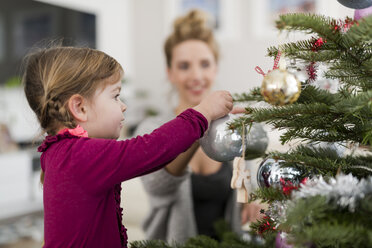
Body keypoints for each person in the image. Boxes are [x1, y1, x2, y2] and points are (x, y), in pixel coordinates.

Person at [22, 46, 233, 248]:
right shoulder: (78, 156)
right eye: (115, 96)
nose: (123, 105)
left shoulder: (65, 154)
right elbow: (151, 148)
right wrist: (203, 113)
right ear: (80, 107)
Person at [135, 9, 262, 244]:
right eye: (184, 66)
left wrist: (252, 199)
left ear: (215, 68)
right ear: (170, 73)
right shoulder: (151, 128)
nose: (196, 75)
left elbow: (248, 184)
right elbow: (158, 187)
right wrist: (200, 121)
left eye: (204, 64)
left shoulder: (234, 128)